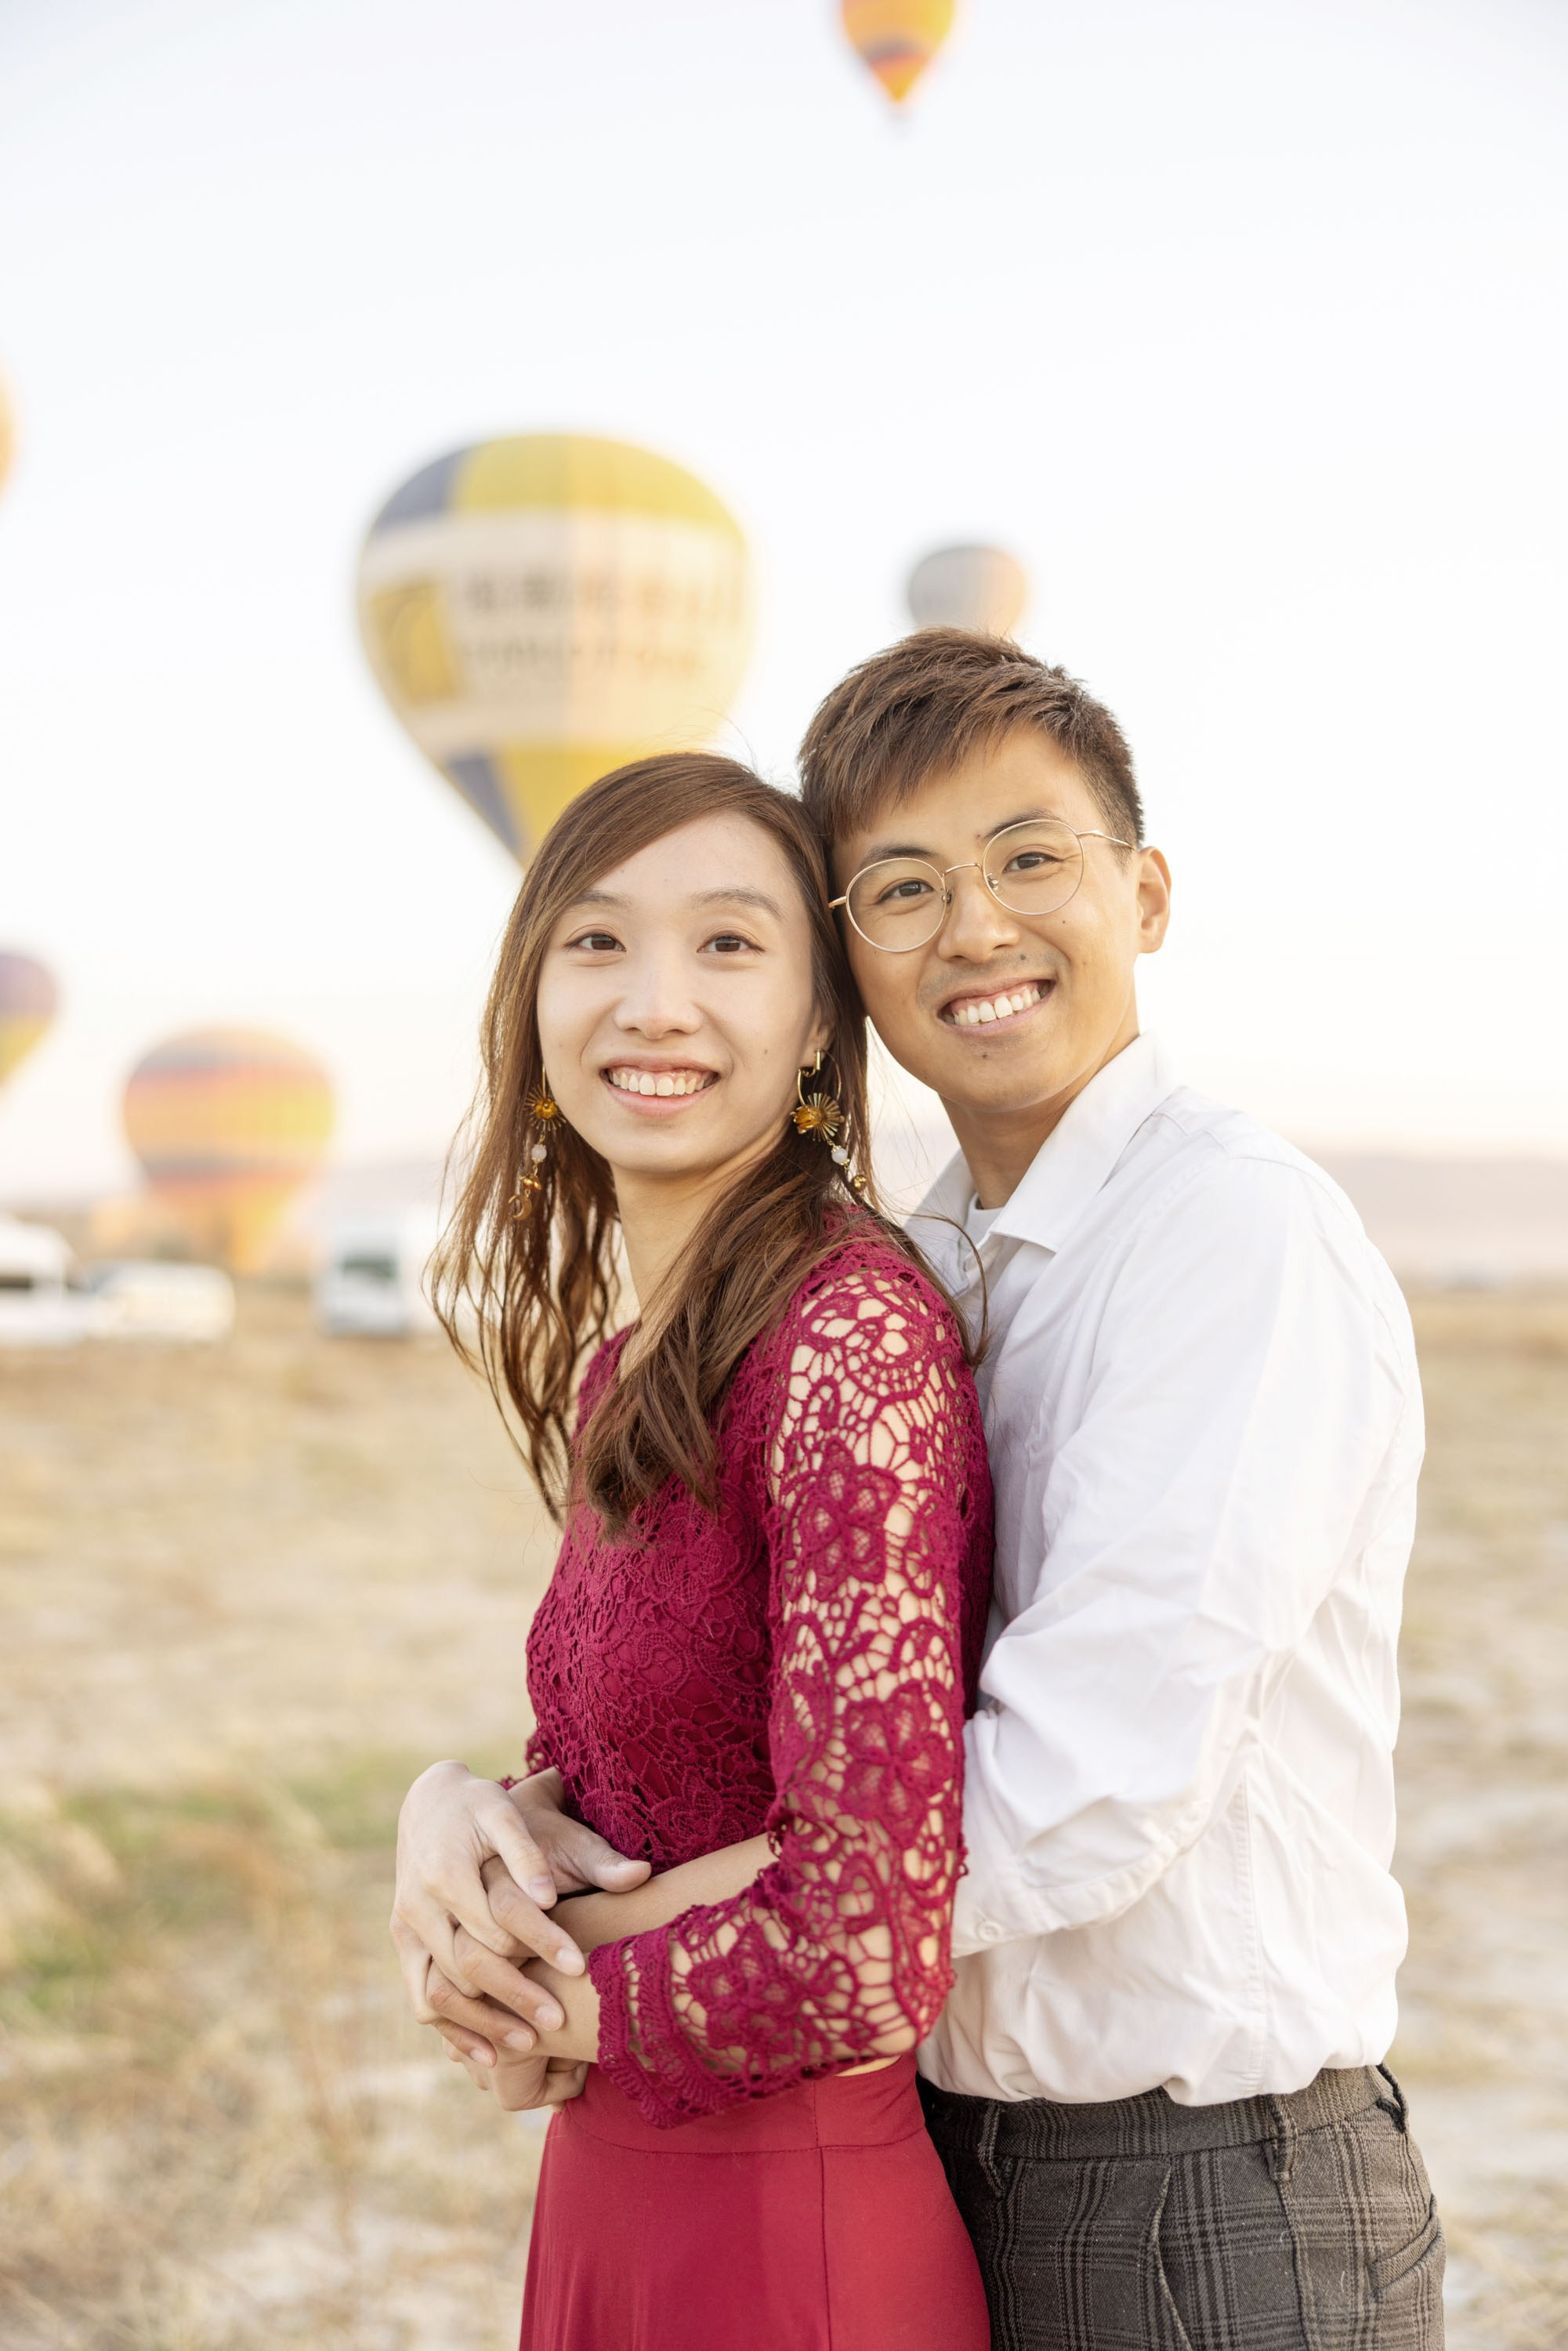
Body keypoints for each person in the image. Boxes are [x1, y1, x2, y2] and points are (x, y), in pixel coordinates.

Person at [405, 631, 1445, 2349]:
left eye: (1028, 859)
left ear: (1146, 894)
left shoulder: (1223, 1237)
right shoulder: (944, 1260)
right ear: (858, 970)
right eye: (899, 888)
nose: (972, 927)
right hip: (953, 2151)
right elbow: (774, 1711)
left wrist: (598, 1954)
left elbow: (1085, 1785)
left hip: (1198, 2197)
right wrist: (474, 1812)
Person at [392, 751, 993, 2351]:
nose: (654, 1001)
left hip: (783, 2233)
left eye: (726, 945)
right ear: (530, 1004)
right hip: (612, 2193)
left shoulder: (847, 1338)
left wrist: (530, 1985)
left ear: (816, 1024)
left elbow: (864, 1932)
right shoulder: (631, 1365)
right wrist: (455, 1821)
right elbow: (637, 1781)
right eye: (595, 943)